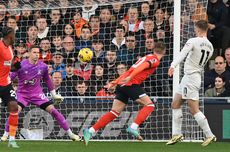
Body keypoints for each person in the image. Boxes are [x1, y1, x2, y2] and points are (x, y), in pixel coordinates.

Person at [83, 42, 166, 146]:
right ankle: (134, 127)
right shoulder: (155, 60)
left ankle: (90, 131)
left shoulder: (146, 57)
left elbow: (128, 71)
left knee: (114, 112)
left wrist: (114, 82)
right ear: (164, 52)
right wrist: (130, 78)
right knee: (150, 105)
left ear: (154, 49)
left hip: (123, 85)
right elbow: (139, 68)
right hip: (131, 84)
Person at [1, 45, 81, 142]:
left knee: (54, 111)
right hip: (23, 94)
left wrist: (54, 95)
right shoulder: (21, 65)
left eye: (38, 53)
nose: (36, 55)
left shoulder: (43, 66)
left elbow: (47, 80)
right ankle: (5, 135)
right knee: (14, 112)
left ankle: (71, 134)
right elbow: (10, 78)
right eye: (34, 52)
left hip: (37, 94)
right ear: (29, 53)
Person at [166, 20, 216, 146]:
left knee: (194, 109)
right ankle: (177, 134)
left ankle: (210, 135)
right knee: (175, 103)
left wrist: (173, 65)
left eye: (195, 29)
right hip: (190, 77)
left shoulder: (193, 41)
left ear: (198, 29)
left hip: (191, 78)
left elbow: (182, 54)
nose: (194, 31)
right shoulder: (210, 46)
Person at [0, 26, 20, 148]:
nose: (15, 36)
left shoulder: (10, 48)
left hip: (6, 84)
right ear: (10, 36)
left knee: (14, 107)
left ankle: (12, 140)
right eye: (14, 34)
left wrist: (15, 66)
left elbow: (6, 65)